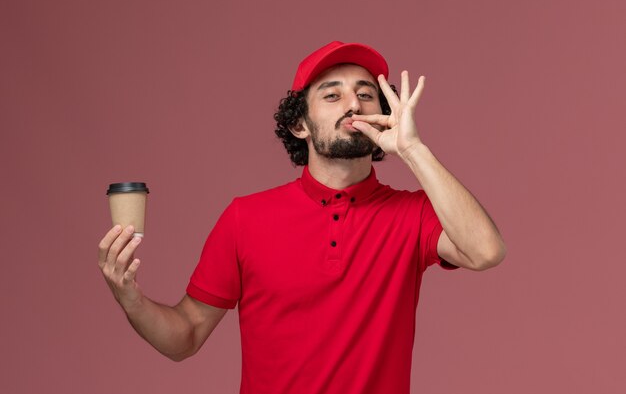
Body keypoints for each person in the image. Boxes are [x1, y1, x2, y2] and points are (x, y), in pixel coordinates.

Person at [98, 41, 506, 394]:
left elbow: (485, 251)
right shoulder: (245, 218)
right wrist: (130, 299)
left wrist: (414, 150)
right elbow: (185, 335)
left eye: (366, 95)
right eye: (332, 95)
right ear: (299, 124)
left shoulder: (412, 213)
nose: (353, 104)